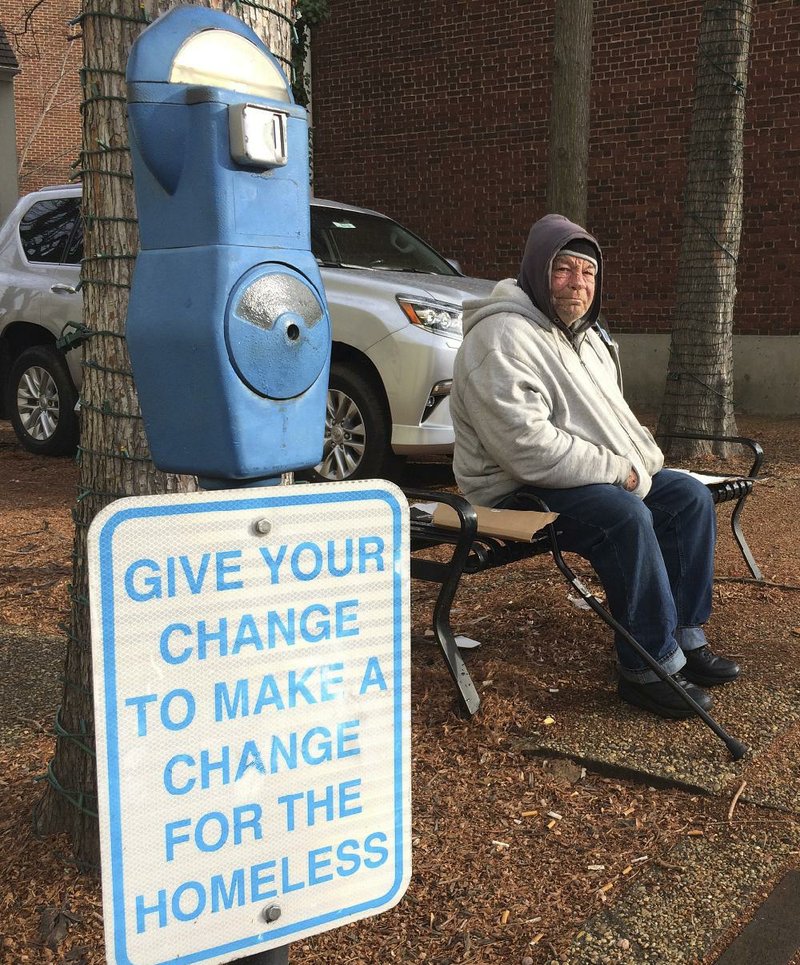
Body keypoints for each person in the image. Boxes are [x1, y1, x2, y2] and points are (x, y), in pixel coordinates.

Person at [449, 213, 740, 719]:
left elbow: (617, 421)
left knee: (686, 497)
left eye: (588, 273)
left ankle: (684, 638)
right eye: (564, 269)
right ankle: (646, 668)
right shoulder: (500, 337)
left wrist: (643, 463)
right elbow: (524, 447)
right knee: (622, 514)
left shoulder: (586, 338)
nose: (578, 284)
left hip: (578, 475)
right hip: (512, 487)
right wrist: (619, 471)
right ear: (538, 270)